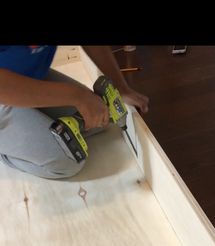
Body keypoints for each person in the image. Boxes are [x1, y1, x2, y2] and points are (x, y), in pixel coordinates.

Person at [0, 45, 149, 179]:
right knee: (66, 163)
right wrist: (77, 96)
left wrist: (120, 86)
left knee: (100, 118)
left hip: (30, 76)